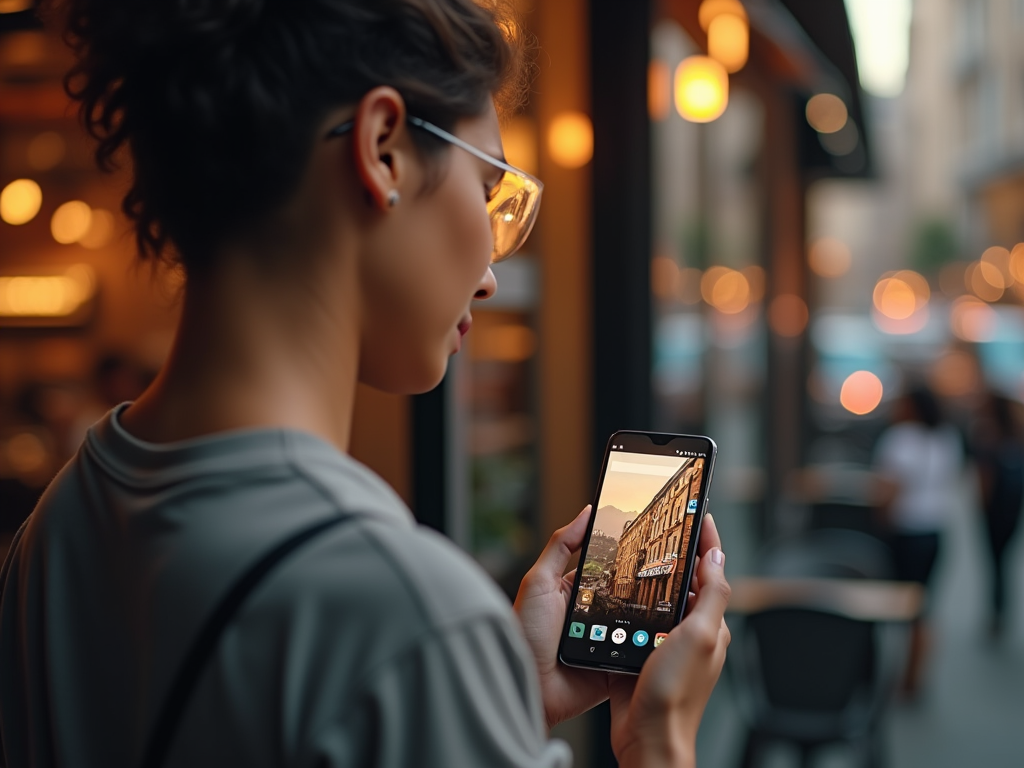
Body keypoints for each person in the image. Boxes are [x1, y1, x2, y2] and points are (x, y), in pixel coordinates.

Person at [0, 1, 732, 766]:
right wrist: (660, 739)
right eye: (489, 190)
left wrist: (486, 693)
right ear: (383, 148)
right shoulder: (402, 614)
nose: (490, 274)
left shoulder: (55, 529)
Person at [873, 384, 963, 693]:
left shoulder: (899, 439)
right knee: (923, 608)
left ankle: (890, 676)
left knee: (897, 606)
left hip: (906, 530)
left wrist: (880, 519)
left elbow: (889, 490)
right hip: (935, 529)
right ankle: (914, 677)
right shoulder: (946, 438)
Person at [972, 391, 1024, 638]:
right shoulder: (1016, 435)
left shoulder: (988, 435)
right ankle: (1000, 610)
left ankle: (997, 612)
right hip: (1012, 509)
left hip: (994, 511)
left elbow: (985, 478)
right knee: (1003, 562)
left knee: (996, 562)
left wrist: (981, 506)